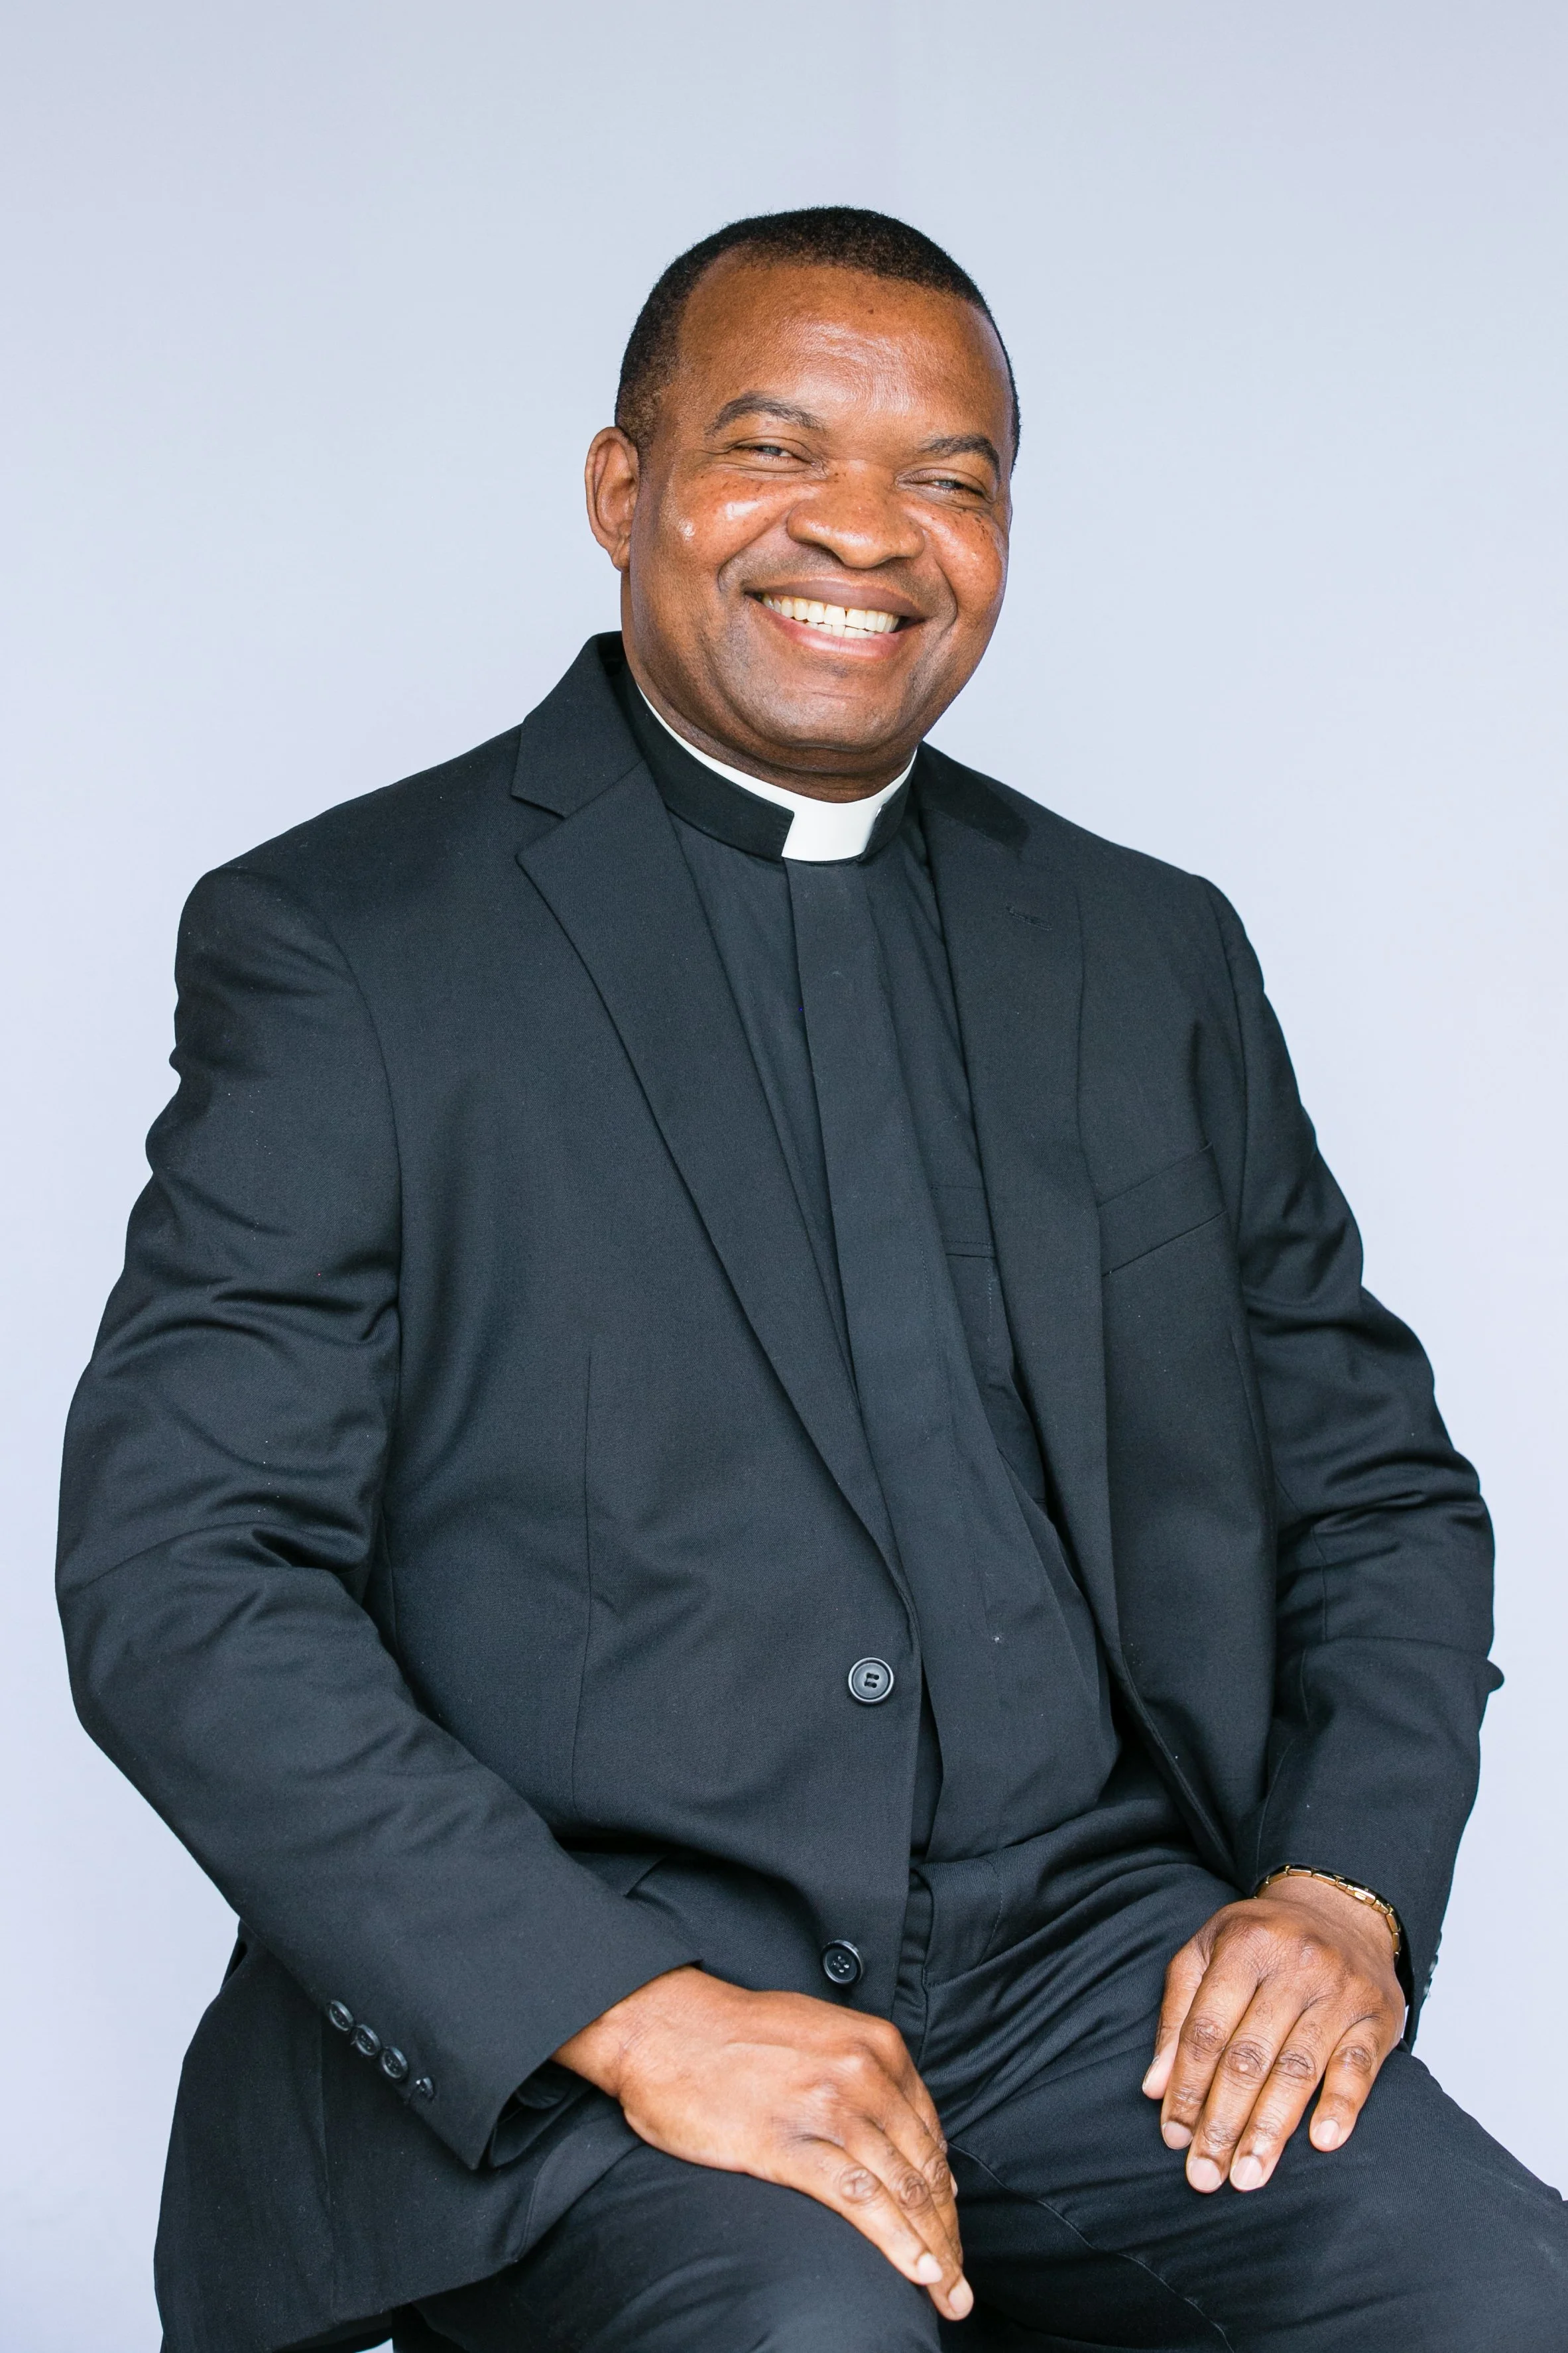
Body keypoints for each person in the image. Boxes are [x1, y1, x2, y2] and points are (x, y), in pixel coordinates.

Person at [58, 206, 1567, 2353]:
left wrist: (1339, 1887)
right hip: (606, 2021)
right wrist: (625, 2008)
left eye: (949, 477)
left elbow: (1381, 1495)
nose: (867, 533)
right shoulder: (353, 942)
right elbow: (186, 1574)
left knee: (1505, 2297)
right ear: (623, 490)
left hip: (1090, 1990)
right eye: (778, 447)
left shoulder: (1145, 956)